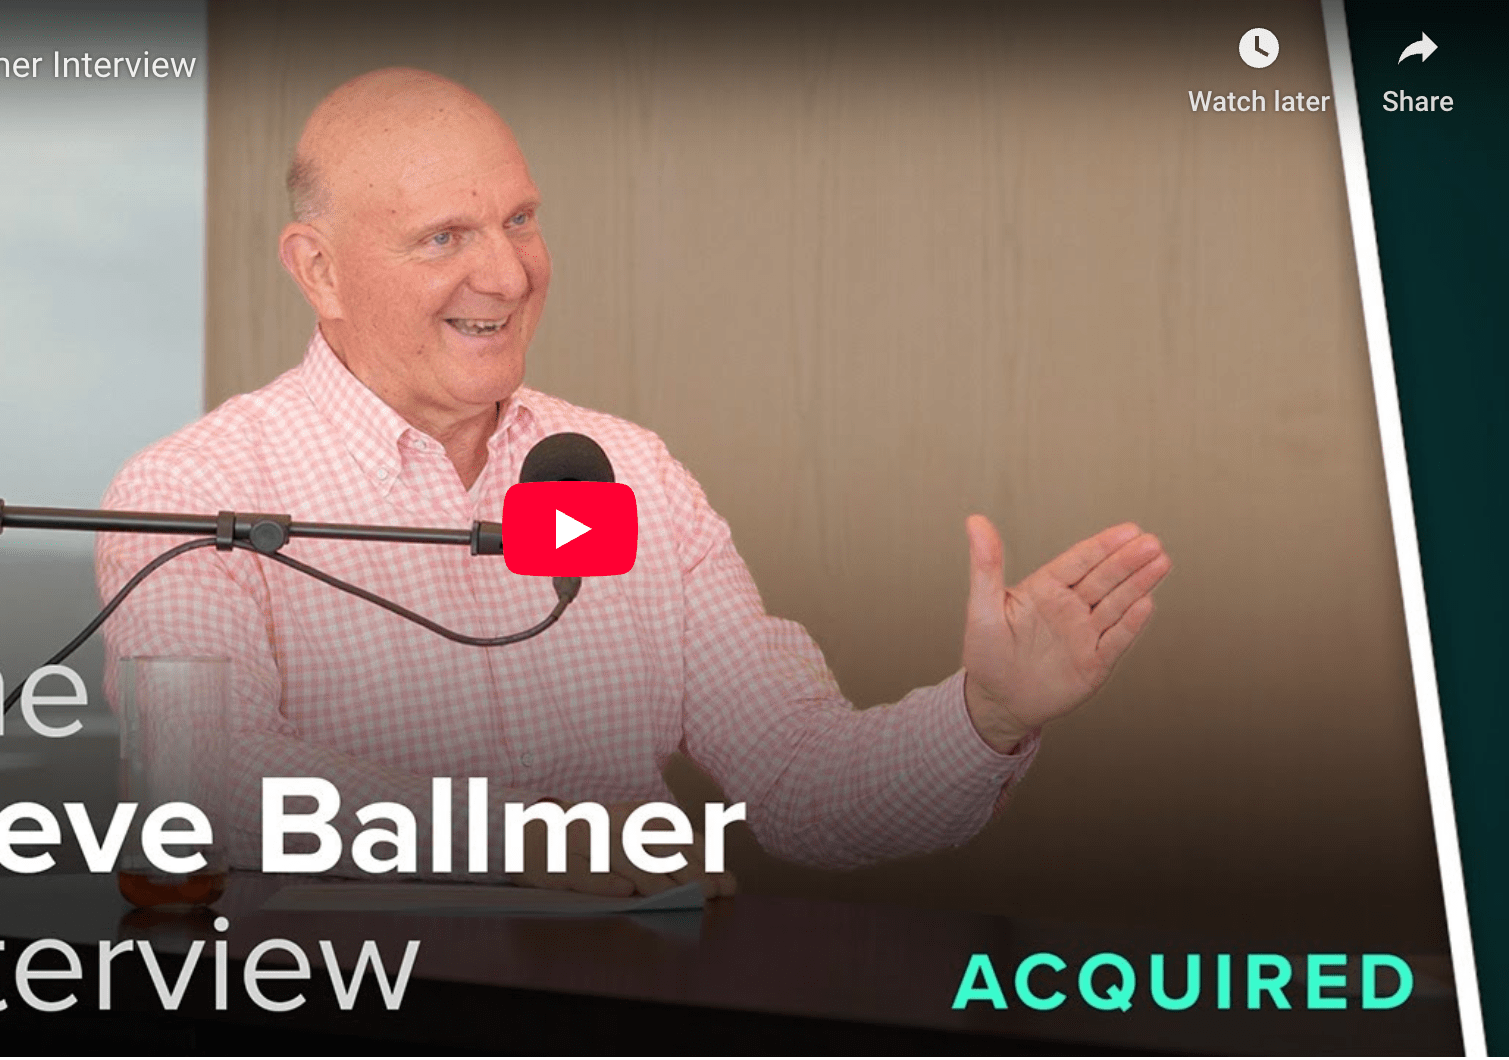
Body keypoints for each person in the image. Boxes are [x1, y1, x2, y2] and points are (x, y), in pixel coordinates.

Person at [96, 68, 1170, 898]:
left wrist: (984, 714)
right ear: (317, 270)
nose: (509, 274)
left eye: (520, 220)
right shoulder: (194, 493)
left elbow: (801, 780)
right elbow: (199, 787)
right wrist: (534, 840)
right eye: (444, 237)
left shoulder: (629, 473)